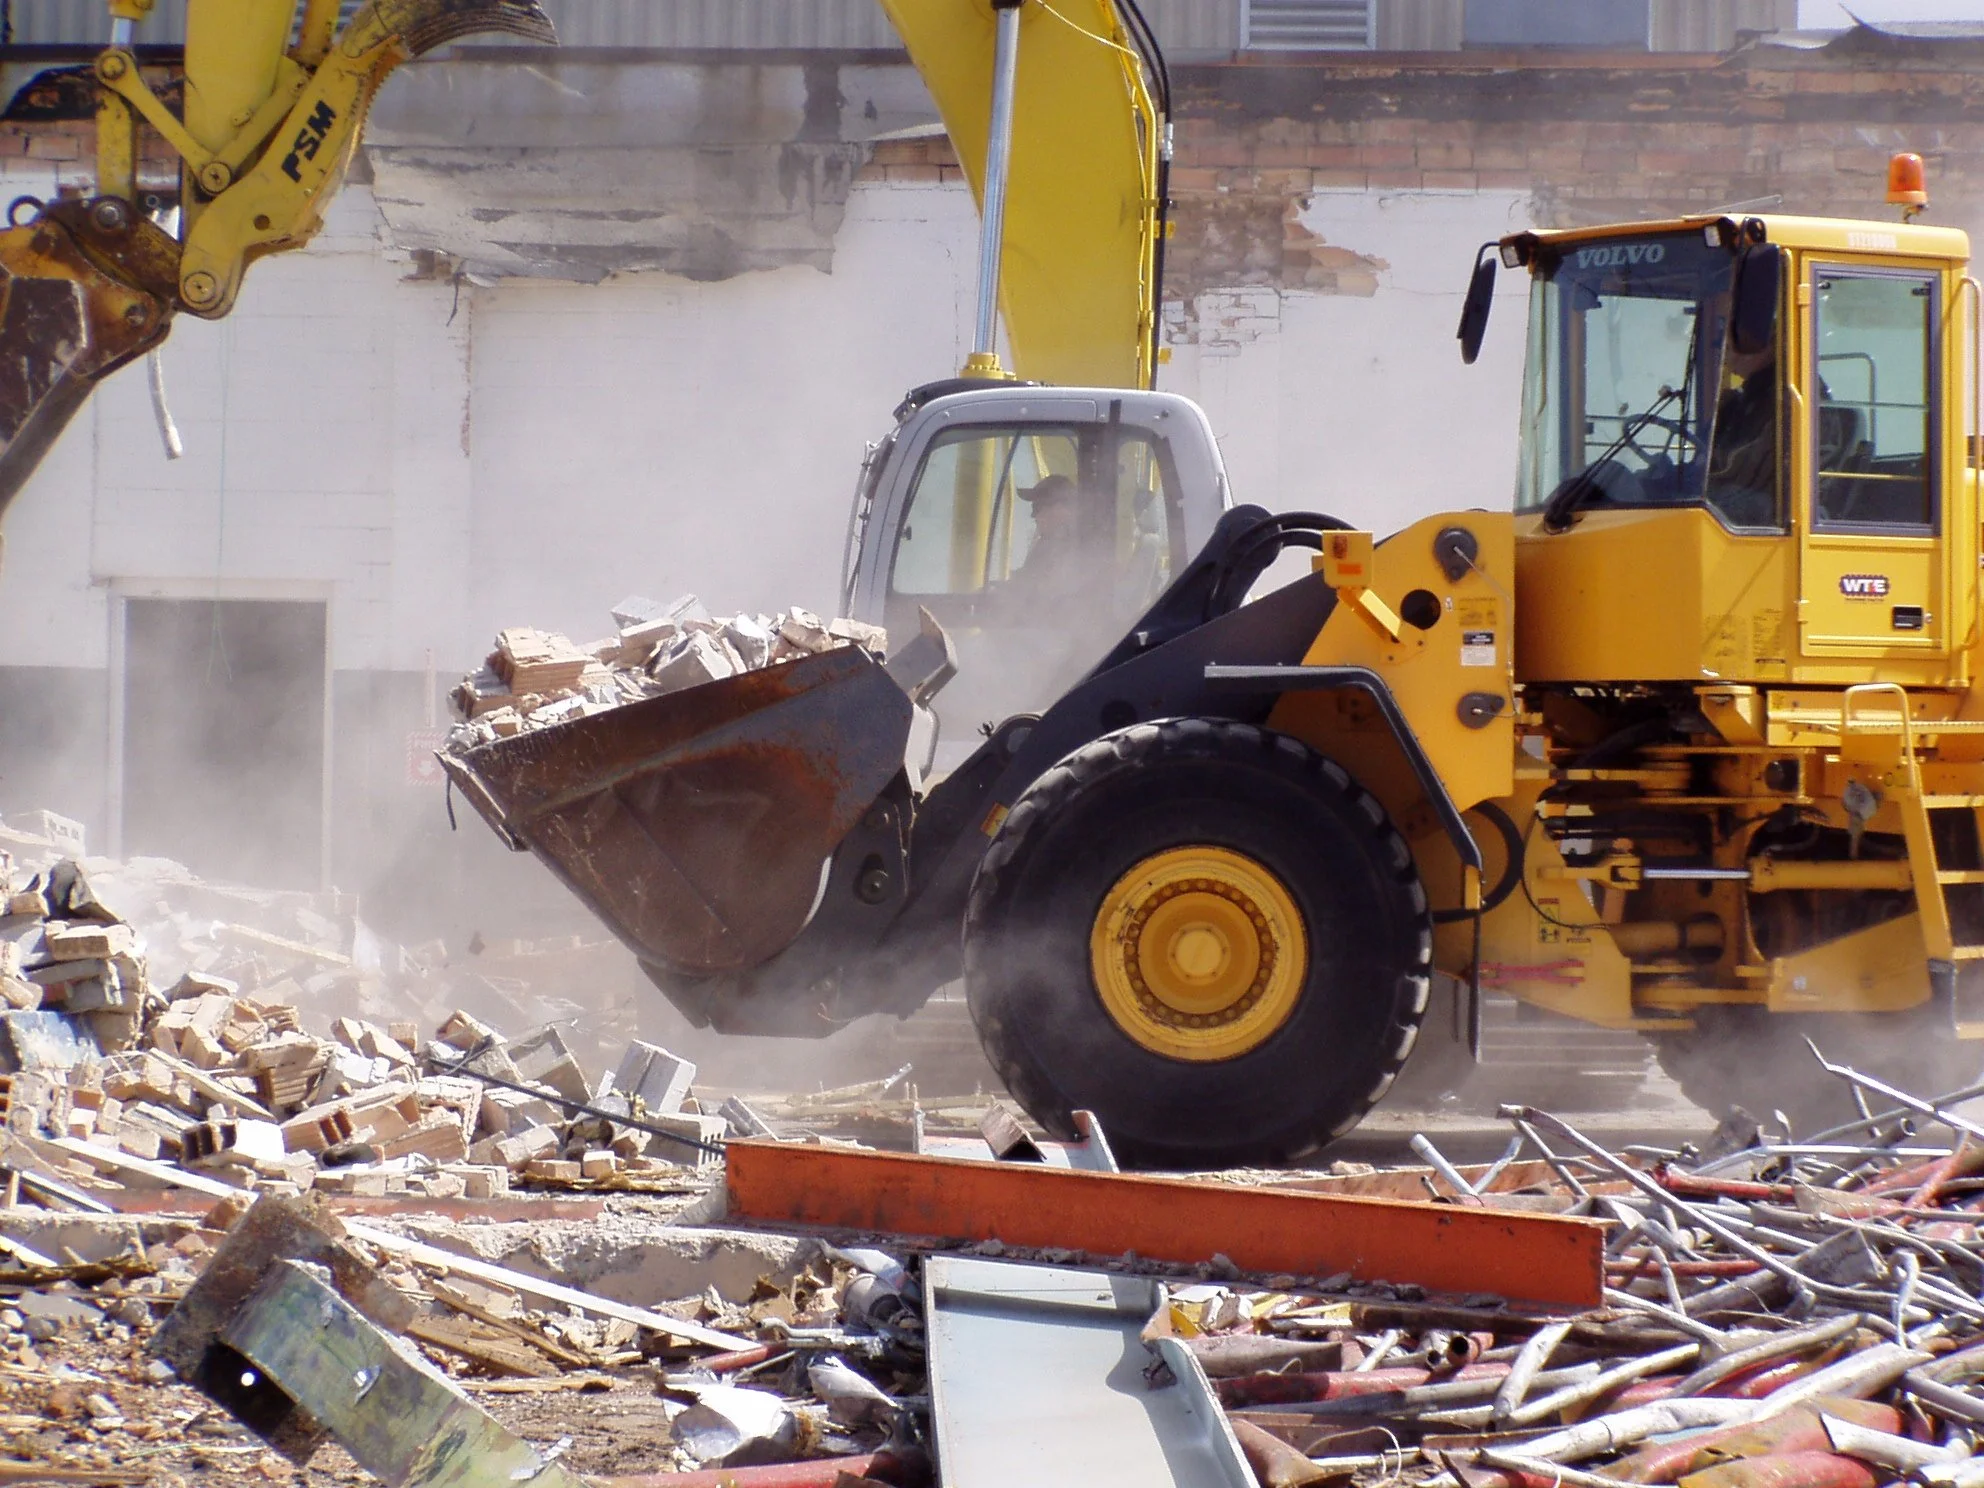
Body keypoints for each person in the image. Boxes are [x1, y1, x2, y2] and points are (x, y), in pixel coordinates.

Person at [1704, 335, 1779, 527]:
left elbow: (1743, 462)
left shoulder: (1779, 397)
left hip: (1767, 502)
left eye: (1729, 348)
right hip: (1746, 490)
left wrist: (1695, 475)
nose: (1726, 358)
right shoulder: (1752, 395)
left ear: (1763, 346)